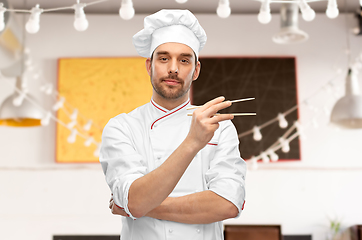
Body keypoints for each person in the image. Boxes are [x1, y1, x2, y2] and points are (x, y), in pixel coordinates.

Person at [100, 9, 246, 240]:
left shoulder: (219, 126)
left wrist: (141, 206)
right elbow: (135, 201)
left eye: (184, 60)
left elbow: (227, 204)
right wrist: (192, 143)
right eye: (164, 58)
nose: (173, 68)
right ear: (149, 66)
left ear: (196, 70)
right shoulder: (122, 127)